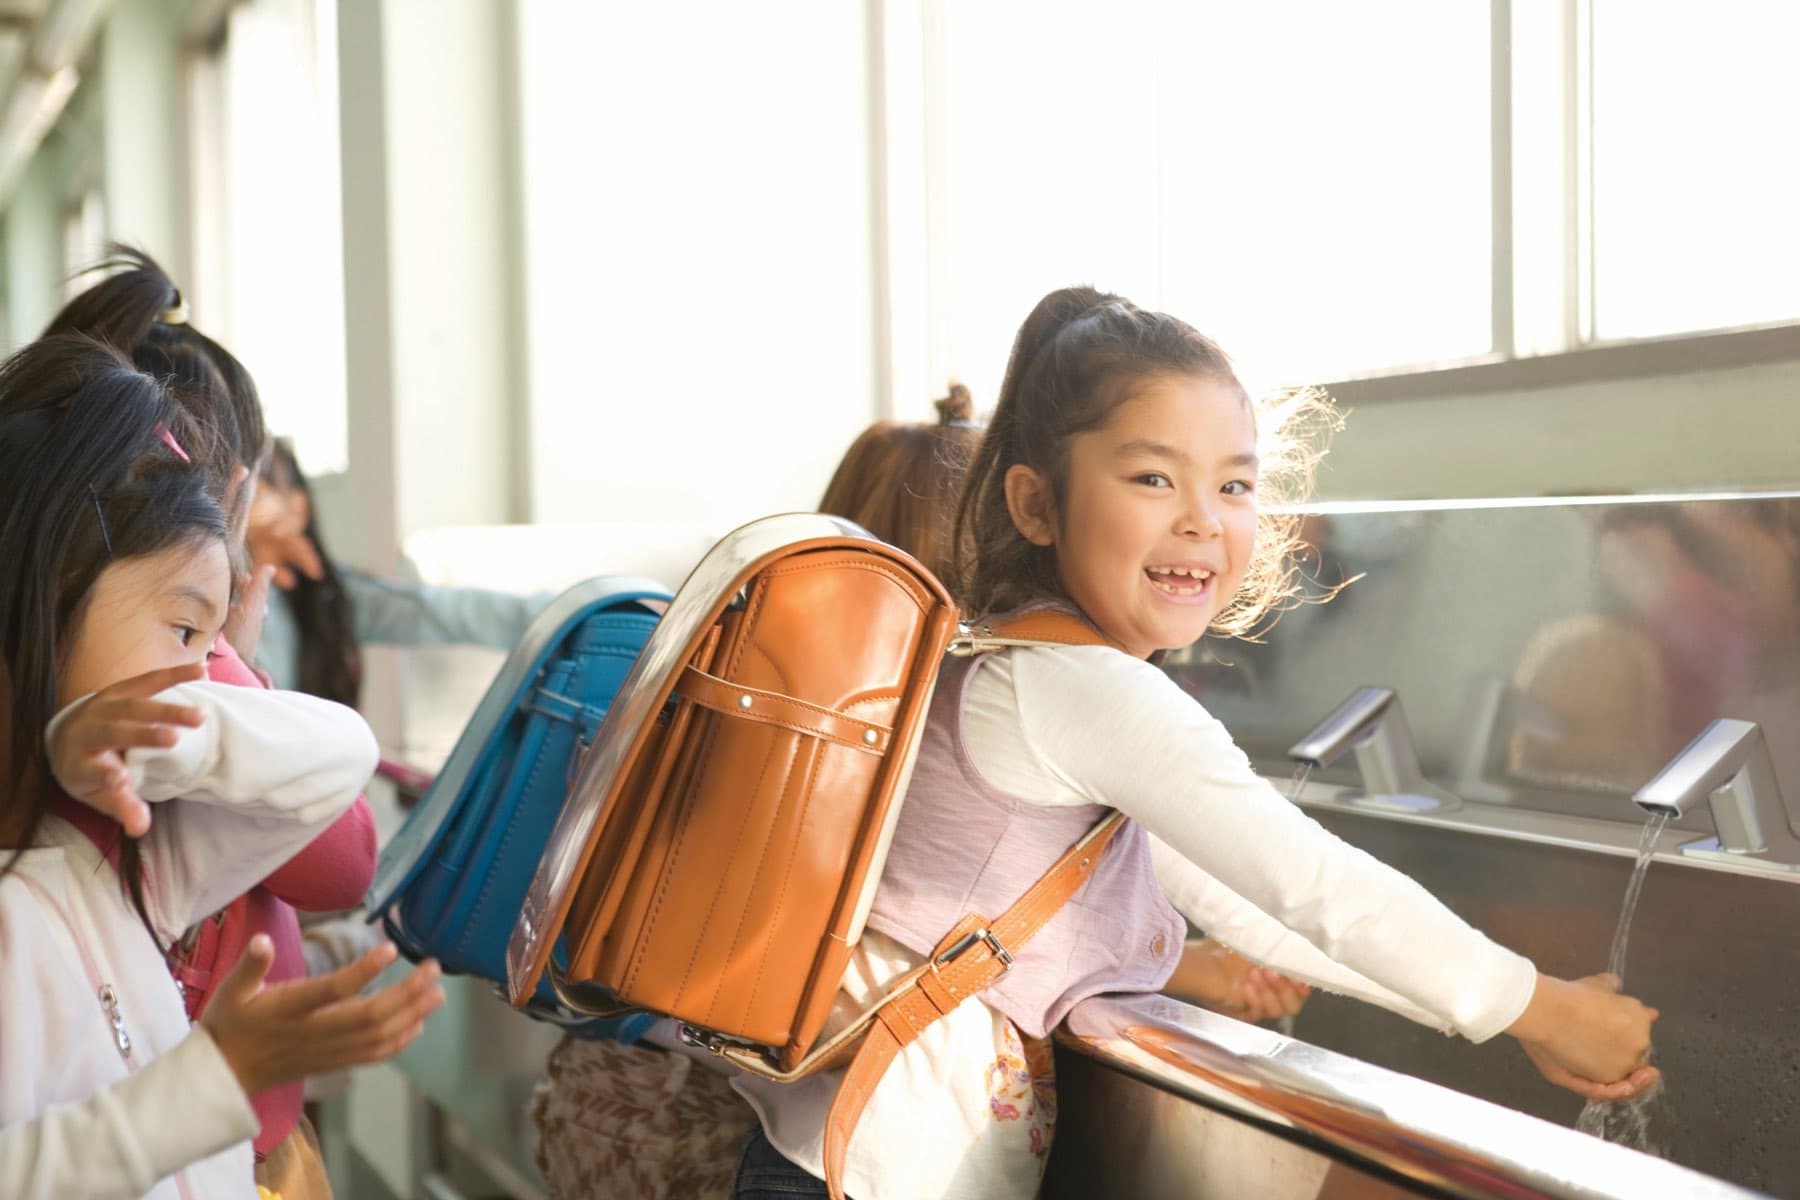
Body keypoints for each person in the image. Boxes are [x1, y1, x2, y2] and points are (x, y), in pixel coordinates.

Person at [728, 287, 1660, 1200]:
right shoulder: (1087, 691)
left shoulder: (1020, 663)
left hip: (834, 1154)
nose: (1202, 518)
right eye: (1152, 477)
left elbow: (1260, 907)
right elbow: (1316, 883)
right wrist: (1541, 1007)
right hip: (874, 1170)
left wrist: (1506, 1016)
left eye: (1235, 484)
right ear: (1034, 505)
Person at [0, 335, 444, 1199]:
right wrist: (213, 1077)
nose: (208, 675)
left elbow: (336, 757)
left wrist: (184, 737)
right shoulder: (57, 889)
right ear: (50, 602)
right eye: (184, 633)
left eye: (215, 648)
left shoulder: (126, 862)